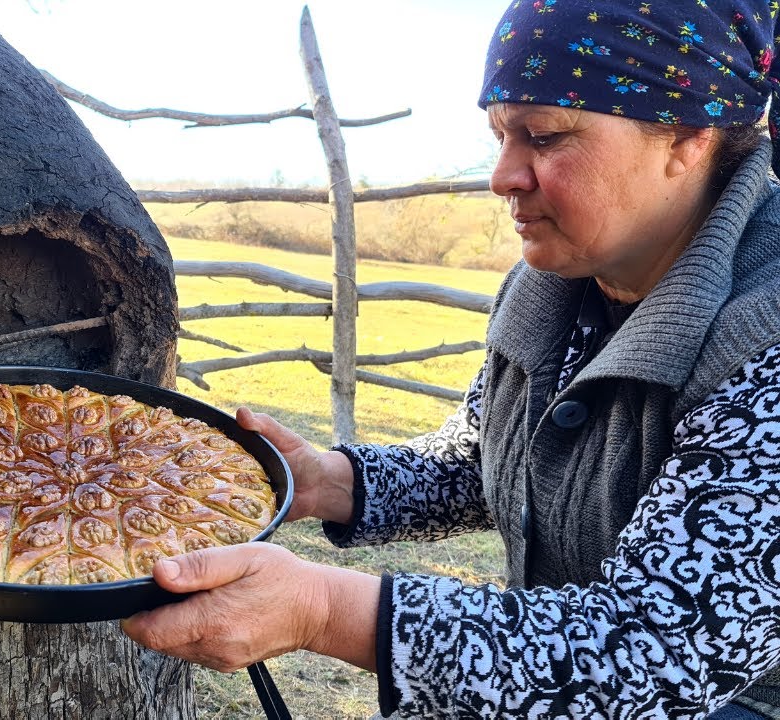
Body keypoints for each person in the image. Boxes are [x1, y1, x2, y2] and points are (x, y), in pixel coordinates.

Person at [121, 2, 780, 718]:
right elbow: (483, 458)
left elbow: (653, 651)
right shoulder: (559, 284)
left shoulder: (766, 338)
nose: (502, 176)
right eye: (499, 136)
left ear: (686, 137)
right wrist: (330, 480)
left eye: (546, 136)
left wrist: (320, 608)